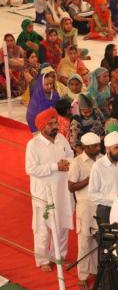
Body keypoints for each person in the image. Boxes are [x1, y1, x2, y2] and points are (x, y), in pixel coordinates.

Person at [25, 108, 74, 271]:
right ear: (42, 127)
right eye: (51, 124)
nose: (55, 127)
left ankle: (58, 256)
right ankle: (42, 259)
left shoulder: (61, 139)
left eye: (56, 123)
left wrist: (67, 162)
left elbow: (71, 154)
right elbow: (31, 169)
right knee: (42, 228)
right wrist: (55, 167)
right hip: (43, 193)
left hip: (62, 190)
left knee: (62, 223)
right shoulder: (33, 144)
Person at [68, 132, 101, 286]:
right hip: (85, 206)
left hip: (99, 205)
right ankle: (82, 275)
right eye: (95, 146)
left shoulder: (101, 159)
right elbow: (71, 186)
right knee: (84, 241)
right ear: (86, 147)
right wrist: (88, 180)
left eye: (98, 145)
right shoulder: (77, 163)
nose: (98, 148)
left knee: (98, 240)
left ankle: (95, 271)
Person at [88, 131, 118, 224]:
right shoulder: (98, 166)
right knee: (108, 238)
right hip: (106, 210)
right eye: (116, 148)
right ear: (107, 149)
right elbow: (92, 194)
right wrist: (114, 198)